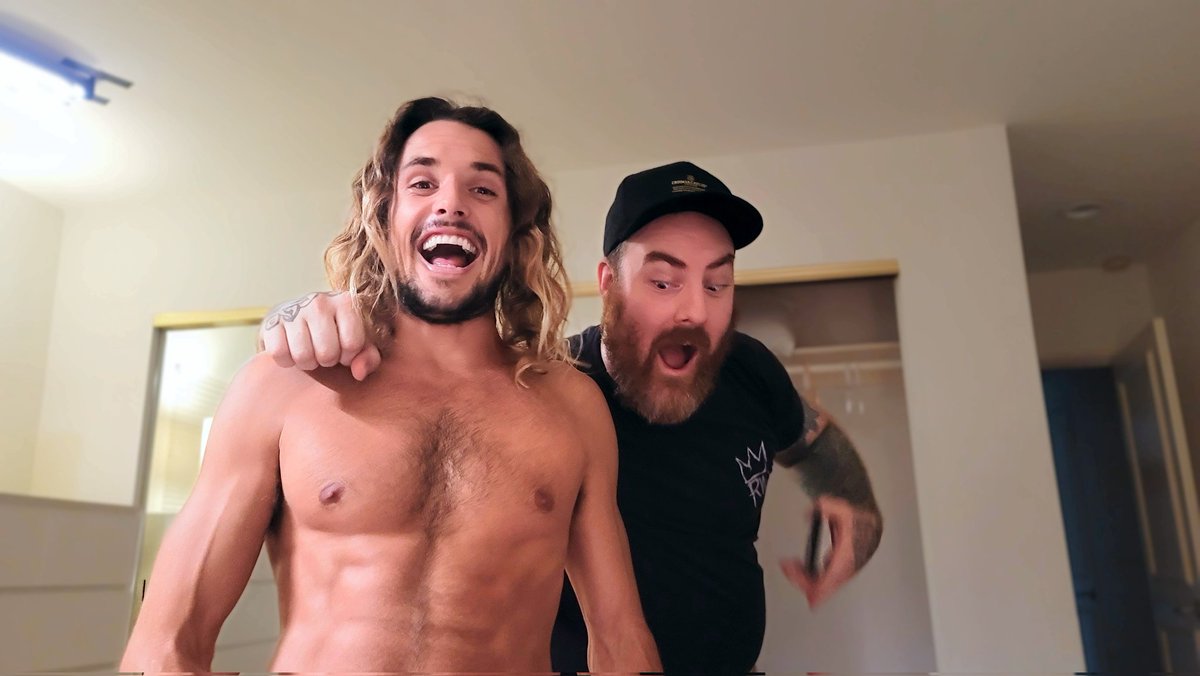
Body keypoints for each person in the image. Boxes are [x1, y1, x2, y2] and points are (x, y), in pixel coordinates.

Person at [261, 160, 883, 672]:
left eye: (716, 284)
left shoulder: (749, 370)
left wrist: (857, 507)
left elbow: (816, 446)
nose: (694, 311)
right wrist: (297, 318)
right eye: (663, 282)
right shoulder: (545, 391)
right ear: (609, 282)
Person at [122, 97, 660, 674]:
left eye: (482, 189)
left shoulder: (571, 406)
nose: (450, 203)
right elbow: (167, 642)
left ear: (514, 233)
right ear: (384, 217)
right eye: (422, 183)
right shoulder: (283, 384)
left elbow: (619, 639)